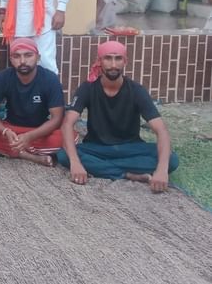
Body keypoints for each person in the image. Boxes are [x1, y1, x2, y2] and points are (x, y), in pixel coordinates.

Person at [58, 41, 179, 192]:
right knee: (63, 155)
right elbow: (67, 124)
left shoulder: (137, 90)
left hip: (131, 148)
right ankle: (128, 174)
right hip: (97, 148)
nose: (113, 64)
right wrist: (75, 163)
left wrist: (162, 169)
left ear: (125, 61)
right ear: (99, 61)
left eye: (118, 58)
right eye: (108, 58)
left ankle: (106, 169)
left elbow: (161, 130)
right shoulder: (87, 88)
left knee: (171, 160)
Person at [0, 37, 65, 166]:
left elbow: (57, 119)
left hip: (39, 131)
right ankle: (26, 153)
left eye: (28, 55)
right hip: (11, 129)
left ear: (38, 57)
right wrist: (5, 131)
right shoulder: (3, 77)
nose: (23, 61)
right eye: (17, 56)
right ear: (11, 59)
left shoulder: (50, 79)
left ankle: (13, 150)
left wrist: (30, 136)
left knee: (68, 137)